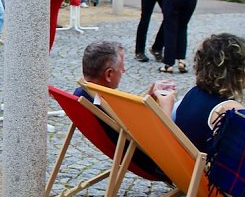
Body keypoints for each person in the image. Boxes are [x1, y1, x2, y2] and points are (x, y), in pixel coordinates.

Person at [74, 40, 173, 173]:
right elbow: (165, 142)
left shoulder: (83, 95)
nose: (124, 70)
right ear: (109, 74)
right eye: (121, 67)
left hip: (129, 150)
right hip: (158, 162)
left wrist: (147, 97)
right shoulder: (106, 104)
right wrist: (167, 107)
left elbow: (130, 119)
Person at [173, 33, 245, 153]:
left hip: (183, 165)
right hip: (204, 170)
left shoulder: (192, 94)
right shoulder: (230, 111)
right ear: (235, 70)